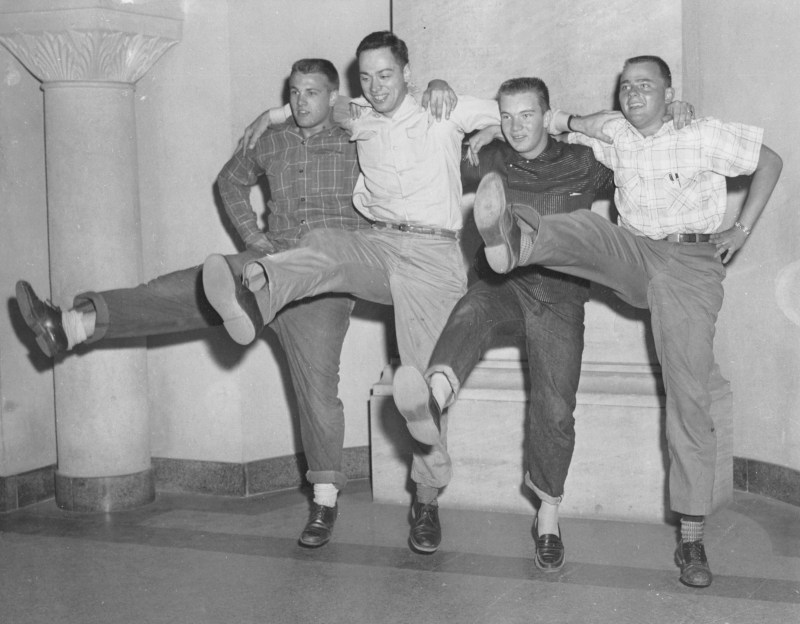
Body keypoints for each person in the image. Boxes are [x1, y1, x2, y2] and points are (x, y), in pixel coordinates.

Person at [15, 58, 375, 549]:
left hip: (324, 277)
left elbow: (387, 110)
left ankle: (325, 501)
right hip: (271, 260)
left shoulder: (357, 132)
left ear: (332, 95)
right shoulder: (271, 138)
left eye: (311, 93)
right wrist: (254, 235)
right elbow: (230, 181)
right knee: (182, 288)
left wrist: (272, 112)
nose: (299, 102)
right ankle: (71, 326)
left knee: (316, 392)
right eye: (293, 92)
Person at [471, 55, 782, 587]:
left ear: (668, 91)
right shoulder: (612, 130)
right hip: (635, 252)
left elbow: (770, 160)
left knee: (688, 394)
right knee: (588, 228)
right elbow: (552, 121)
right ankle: (518, 238)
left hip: (689, 266)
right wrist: (487, 129)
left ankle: (691, 538)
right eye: (626, 86)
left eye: (646, 85)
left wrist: (742, 229)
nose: (634, 93)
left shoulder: (700, 132)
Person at [201, 30, 504, 554]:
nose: (376, 86)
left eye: (386, 75)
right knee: (323, 241)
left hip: (433, 257)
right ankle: (257, 297)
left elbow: (521, 114)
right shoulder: (357, 113)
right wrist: (268, 116)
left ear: (407, 73)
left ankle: (426, 502)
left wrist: (486, 124)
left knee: (423, 391)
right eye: (366, 77)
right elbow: (307, 105)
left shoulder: (442, 108)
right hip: (381, 243)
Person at [391, 76, 615, 572]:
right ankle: (434, 395)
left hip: (560, 293)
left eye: (527, 115)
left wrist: (670, 112)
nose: (515, 126)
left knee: (555, 408)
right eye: (506, 116)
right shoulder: (490, 156)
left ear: (547, 114)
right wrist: (434, 86)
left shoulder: (586, 162)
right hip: (503, 281)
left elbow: (637, 145)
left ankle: (549, 518)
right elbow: (426, 140)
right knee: (471, 309)